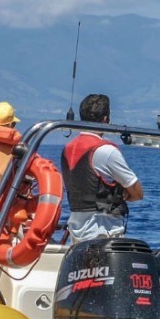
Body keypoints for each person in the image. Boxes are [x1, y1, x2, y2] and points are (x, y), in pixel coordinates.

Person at [60, 94, 142, 242]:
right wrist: (122, 194)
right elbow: (137, 193)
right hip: (102, 232)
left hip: (76, 231)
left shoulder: (67, 149)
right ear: (106, 119)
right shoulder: (106, 152)